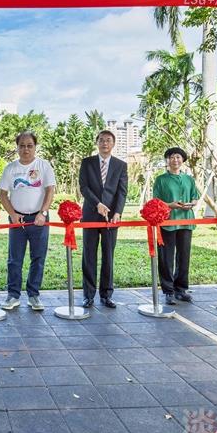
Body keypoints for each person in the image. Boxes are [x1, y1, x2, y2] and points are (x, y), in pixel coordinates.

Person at [0, 131, 56, 311]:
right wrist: (13, 215)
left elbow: (50, 191)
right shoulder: (11, 168)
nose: (26, 149)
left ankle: (34, 295)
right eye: (22, 145)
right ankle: (13, 295)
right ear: (17, 147)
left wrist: (43, 213)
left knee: (38, 258)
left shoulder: (43, 166)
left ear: (35, 147)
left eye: (29, 145)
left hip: (39, 219)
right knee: (14, 259)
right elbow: (3, 195)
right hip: (18, 220)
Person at [79, 130, 128, 309]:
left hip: (111, 218)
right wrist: (97, 203)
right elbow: (83, 187)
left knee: (108, 256)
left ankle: (106, 295)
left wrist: (118, 212)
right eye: (101, 140)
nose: (104, 143)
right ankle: (88, 295)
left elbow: (122, 191)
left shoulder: (121, 165)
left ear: (113, 144)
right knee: (89, 256)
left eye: (108, 140)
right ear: (96, 143)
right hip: (91, 215)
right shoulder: (87, 163)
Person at [152, 147, 199, 305]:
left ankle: (181, 289)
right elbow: (156, 201)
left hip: (186, 220)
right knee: (166, 257)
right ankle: (168, 290)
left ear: (183, 160)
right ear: (167, 160)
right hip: (167, 222)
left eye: (178, 157)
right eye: (171, 157)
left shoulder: (189, 179)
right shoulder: (161, 180)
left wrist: (191, 204)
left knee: (184, 256)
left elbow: (195, 197)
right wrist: (170, 205)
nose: (175, 160)